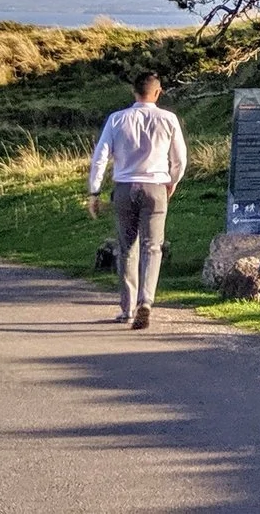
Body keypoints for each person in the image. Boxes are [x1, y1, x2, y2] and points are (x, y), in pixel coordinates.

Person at [84, 71, 188, 329]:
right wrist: (172, 181)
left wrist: (94, 191)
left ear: (134, 92)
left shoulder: (117, 119)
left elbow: (100, 157)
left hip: (124, 186)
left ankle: (128, 308)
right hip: (156, 186)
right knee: (153, 247)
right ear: (157, 92)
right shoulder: (169, 119)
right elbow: (180, 159)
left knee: (127, 248)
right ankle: (147, 301)